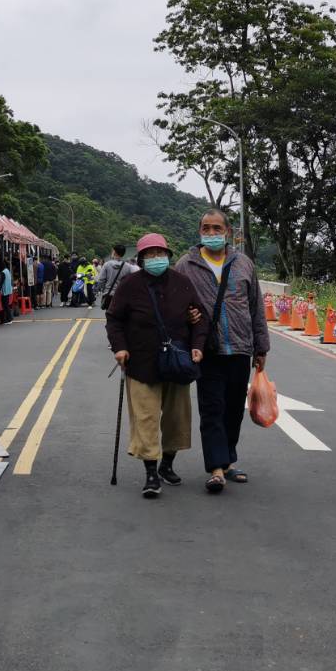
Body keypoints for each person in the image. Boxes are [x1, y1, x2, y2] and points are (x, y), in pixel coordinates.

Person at [105, 233, 208, 497]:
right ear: (140, 259)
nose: (155, 259)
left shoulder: (183, 283)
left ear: (168, 256)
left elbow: (200, 318)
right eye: (149, 255)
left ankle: (167, 464)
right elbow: (114, 319)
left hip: (177, 362)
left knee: (176, 419)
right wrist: (120, 348)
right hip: (141, 363)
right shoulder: (129, 285)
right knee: (146, 418)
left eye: (159, 254)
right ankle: (151, 473)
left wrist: (197, 345)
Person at [175, 208, 269, 494]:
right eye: (206, 228)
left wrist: (261, 346)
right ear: (200, 231)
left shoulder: (244, 264)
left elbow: (256, 308)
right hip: (208, 349)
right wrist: (187, 318)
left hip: (240, 348)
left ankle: (228, 460)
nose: (212, 233)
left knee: (232, 411)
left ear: (228, 232)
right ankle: (216, 468)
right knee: (212, 408)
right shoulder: (186, 265)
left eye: (217, 228)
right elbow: (175, 304)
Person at [96, 244, 137, 313]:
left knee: (109, 316)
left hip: (109, 295)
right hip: (122, 296)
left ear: (114, 252)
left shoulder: (107, 264)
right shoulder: (128, 266)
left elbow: (101, 280)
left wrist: (103, 290)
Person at [0, 258, 14, 325]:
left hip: (5, 291)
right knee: (6, 305)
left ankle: (9, 319)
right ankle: (7, 319)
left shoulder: (3, 273)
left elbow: (1, 282)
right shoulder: (7, 271)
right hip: (8, 290)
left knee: (5, 305)